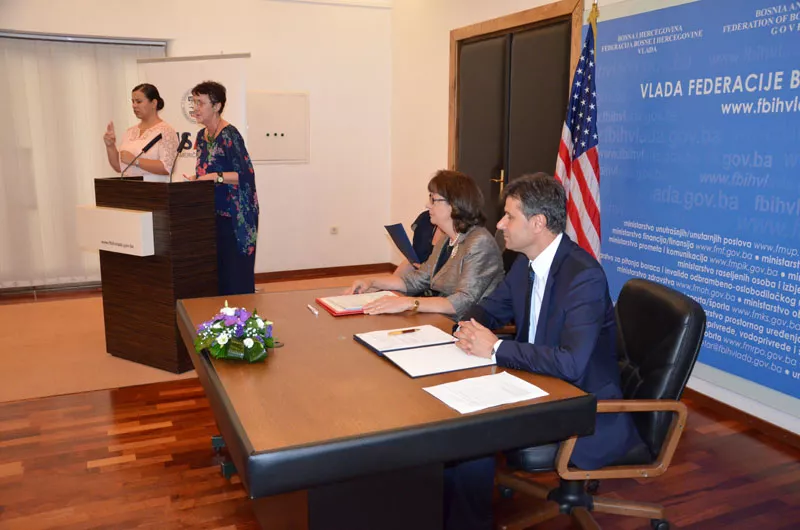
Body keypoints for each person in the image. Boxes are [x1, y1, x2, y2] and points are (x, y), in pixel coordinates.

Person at [449, 173, 641, 530]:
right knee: (454, 417)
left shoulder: (583, 276)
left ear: (537, 223)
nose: (500, 224)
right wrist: (467, 325)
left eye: (509, 216)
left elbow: (571, 363)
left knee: (471, 437)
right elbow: (492, 308)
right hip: (536, 381)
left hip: (581, 403)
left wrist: (496, 347)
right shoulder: (525, 262)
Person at [347, 170, 504, 321]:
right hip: (440, 318)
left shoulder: (479, 242)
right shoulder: (446, 239)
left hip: (464, 326)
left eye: (433, 199)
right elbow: (417, 280)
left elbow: (463, 301)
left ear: (454, 204)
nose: (428, 205)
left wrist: (409, 303)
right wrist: (371, 281)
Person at [184, 81, 259, 295]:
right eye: (194, 102)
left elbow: (245, 175)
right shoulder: (202, 136)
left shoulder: (229, 135)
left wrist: (214, 177)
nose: (196, 108)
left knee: (235, 277)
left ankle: (241, 314)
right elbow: (206, 170)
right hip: (211, 214)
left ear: (216, 106)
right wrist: (197, 179)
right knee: (216, 276)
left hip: (236, 216)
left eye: (201, 103)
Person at [102, 83, 179, 183]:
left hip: (155, 190)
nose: (134, 105)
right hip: (130, 189)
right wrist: (110, 146)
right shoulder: (130, 131)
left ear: (154, 103)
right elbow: (119, 167)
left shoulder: (166, 131)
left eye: (139, 101)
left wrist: (135, 161)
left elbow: (168, 167)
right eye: (133, 101)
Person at [392, 210, 445, 277]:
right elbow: (414, 260)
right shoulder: (425, 218)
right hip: (420, 275)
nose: (427, 205)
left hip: (439, 279)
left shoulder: (456, 237)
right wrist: (393, 279)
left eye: (435, 203)